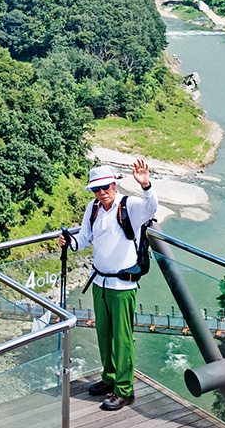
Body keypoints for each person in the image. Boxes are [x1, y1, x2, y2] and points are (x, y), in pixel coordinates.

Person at [58, 160, 157, 411]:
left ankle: (124, 391)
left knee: (122, 339)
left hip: (122, 286)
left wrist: (145, 184)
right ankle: (109, 378)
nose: (101, 193)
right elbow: (84, 238)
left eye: (105, 187)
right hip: (100, 282)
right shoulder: (93, 208)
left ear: (114, 184)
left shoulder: (129, 205)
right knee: (104, 335)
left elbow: (151, 207)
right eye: (96, 189)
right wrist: (69, 241)